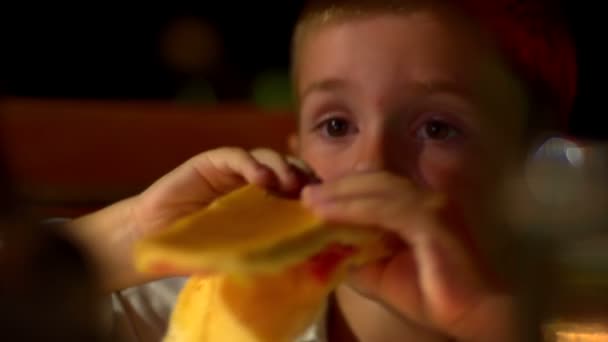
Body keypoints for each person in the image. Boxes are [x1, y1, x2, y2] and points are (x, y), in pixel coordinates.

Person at [65, 0, 577, 340]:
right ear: (297, 149)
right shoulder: (213, 308)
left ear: (537, 163)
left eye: (438, 129)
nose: (370, 167)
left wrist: (490, 321)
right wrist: (132, 236)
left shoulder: (578, 312)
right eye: (335, 125)